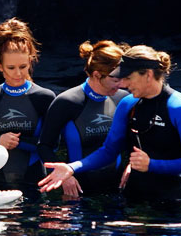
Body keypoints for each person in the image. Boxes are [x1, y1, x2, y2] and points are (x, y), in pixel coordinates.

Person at [38, 45, 181, 203]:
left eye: (127, 78)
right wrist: (72, 168)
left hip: (170, 201)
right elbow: (109, 151)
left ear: (147, 75)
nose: (123, 85)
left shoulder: (179, 107)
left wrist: (151, 165)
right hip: (132, 198)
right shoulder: (127, 104)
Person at [37, 40, 129, 197]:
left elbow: (134, 140)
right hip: (78, 190)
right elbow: (44, 146)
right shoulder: (67, 101)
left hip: (117, 190)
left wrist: (131, 165)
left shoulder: (124, 99)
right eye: (115, 80)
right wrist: (65, 176)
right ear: (97, 75)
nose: (122, 84)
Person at [0, 18, 56, 190]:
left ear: (31, 61)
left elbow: (52, 144)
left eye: (23, 66)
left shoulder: (44, 97)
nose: (18, 74)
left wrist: (19, 142)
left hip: (34, 182)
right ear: (0, 66)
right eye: (11, 68)